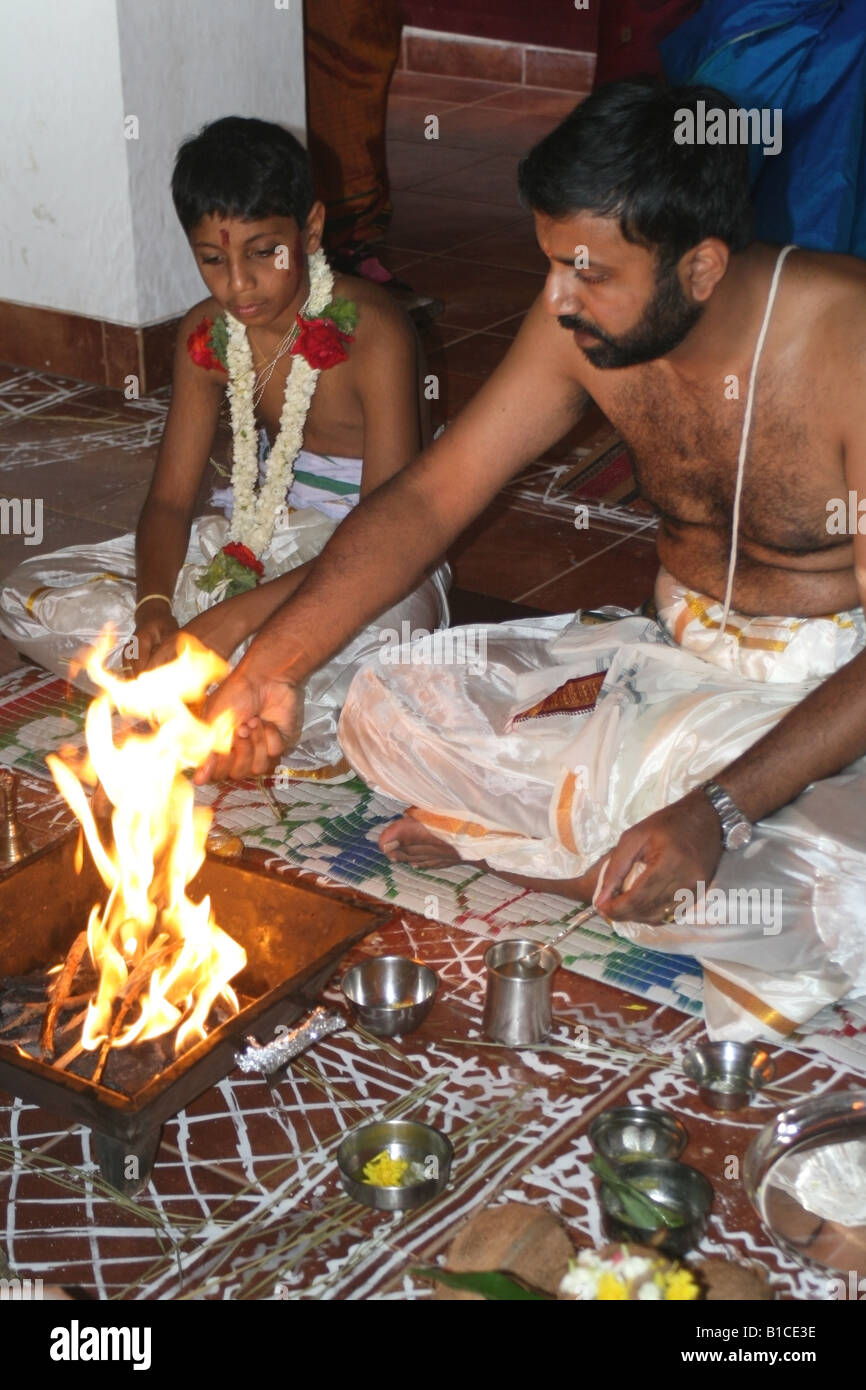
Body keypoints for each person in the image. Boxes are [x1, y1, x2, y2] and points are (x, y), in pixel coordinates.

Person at [194, 81, 866, 1040]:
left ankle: (557, 845)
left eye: (588, 272)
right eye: (551, 263)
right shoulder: (584, 327)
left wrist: (718, 807)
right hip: (667, 675)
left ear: (703, 267)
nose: (556, 298)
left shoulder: (851, 343)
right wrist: (273, 664)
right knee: (383, 702)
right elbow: (432, 497)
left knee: (828, 891)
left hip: (821, 707)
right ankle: (602, 854)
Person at [0, 116, 449, 779]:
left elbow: (391, 537)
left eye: (263, 253)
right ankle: (228, 700)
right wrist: (155, 609)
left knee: (385, 675)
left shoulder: (374, 332)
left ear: (312, 232)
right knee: (24, 596)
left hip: (378, 555)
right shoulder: (206, 336)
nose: (238, 286)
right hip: (258, 533)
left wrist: (233, 621)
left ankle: (230, 695)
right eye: (213, 260)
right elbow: (172, 500)